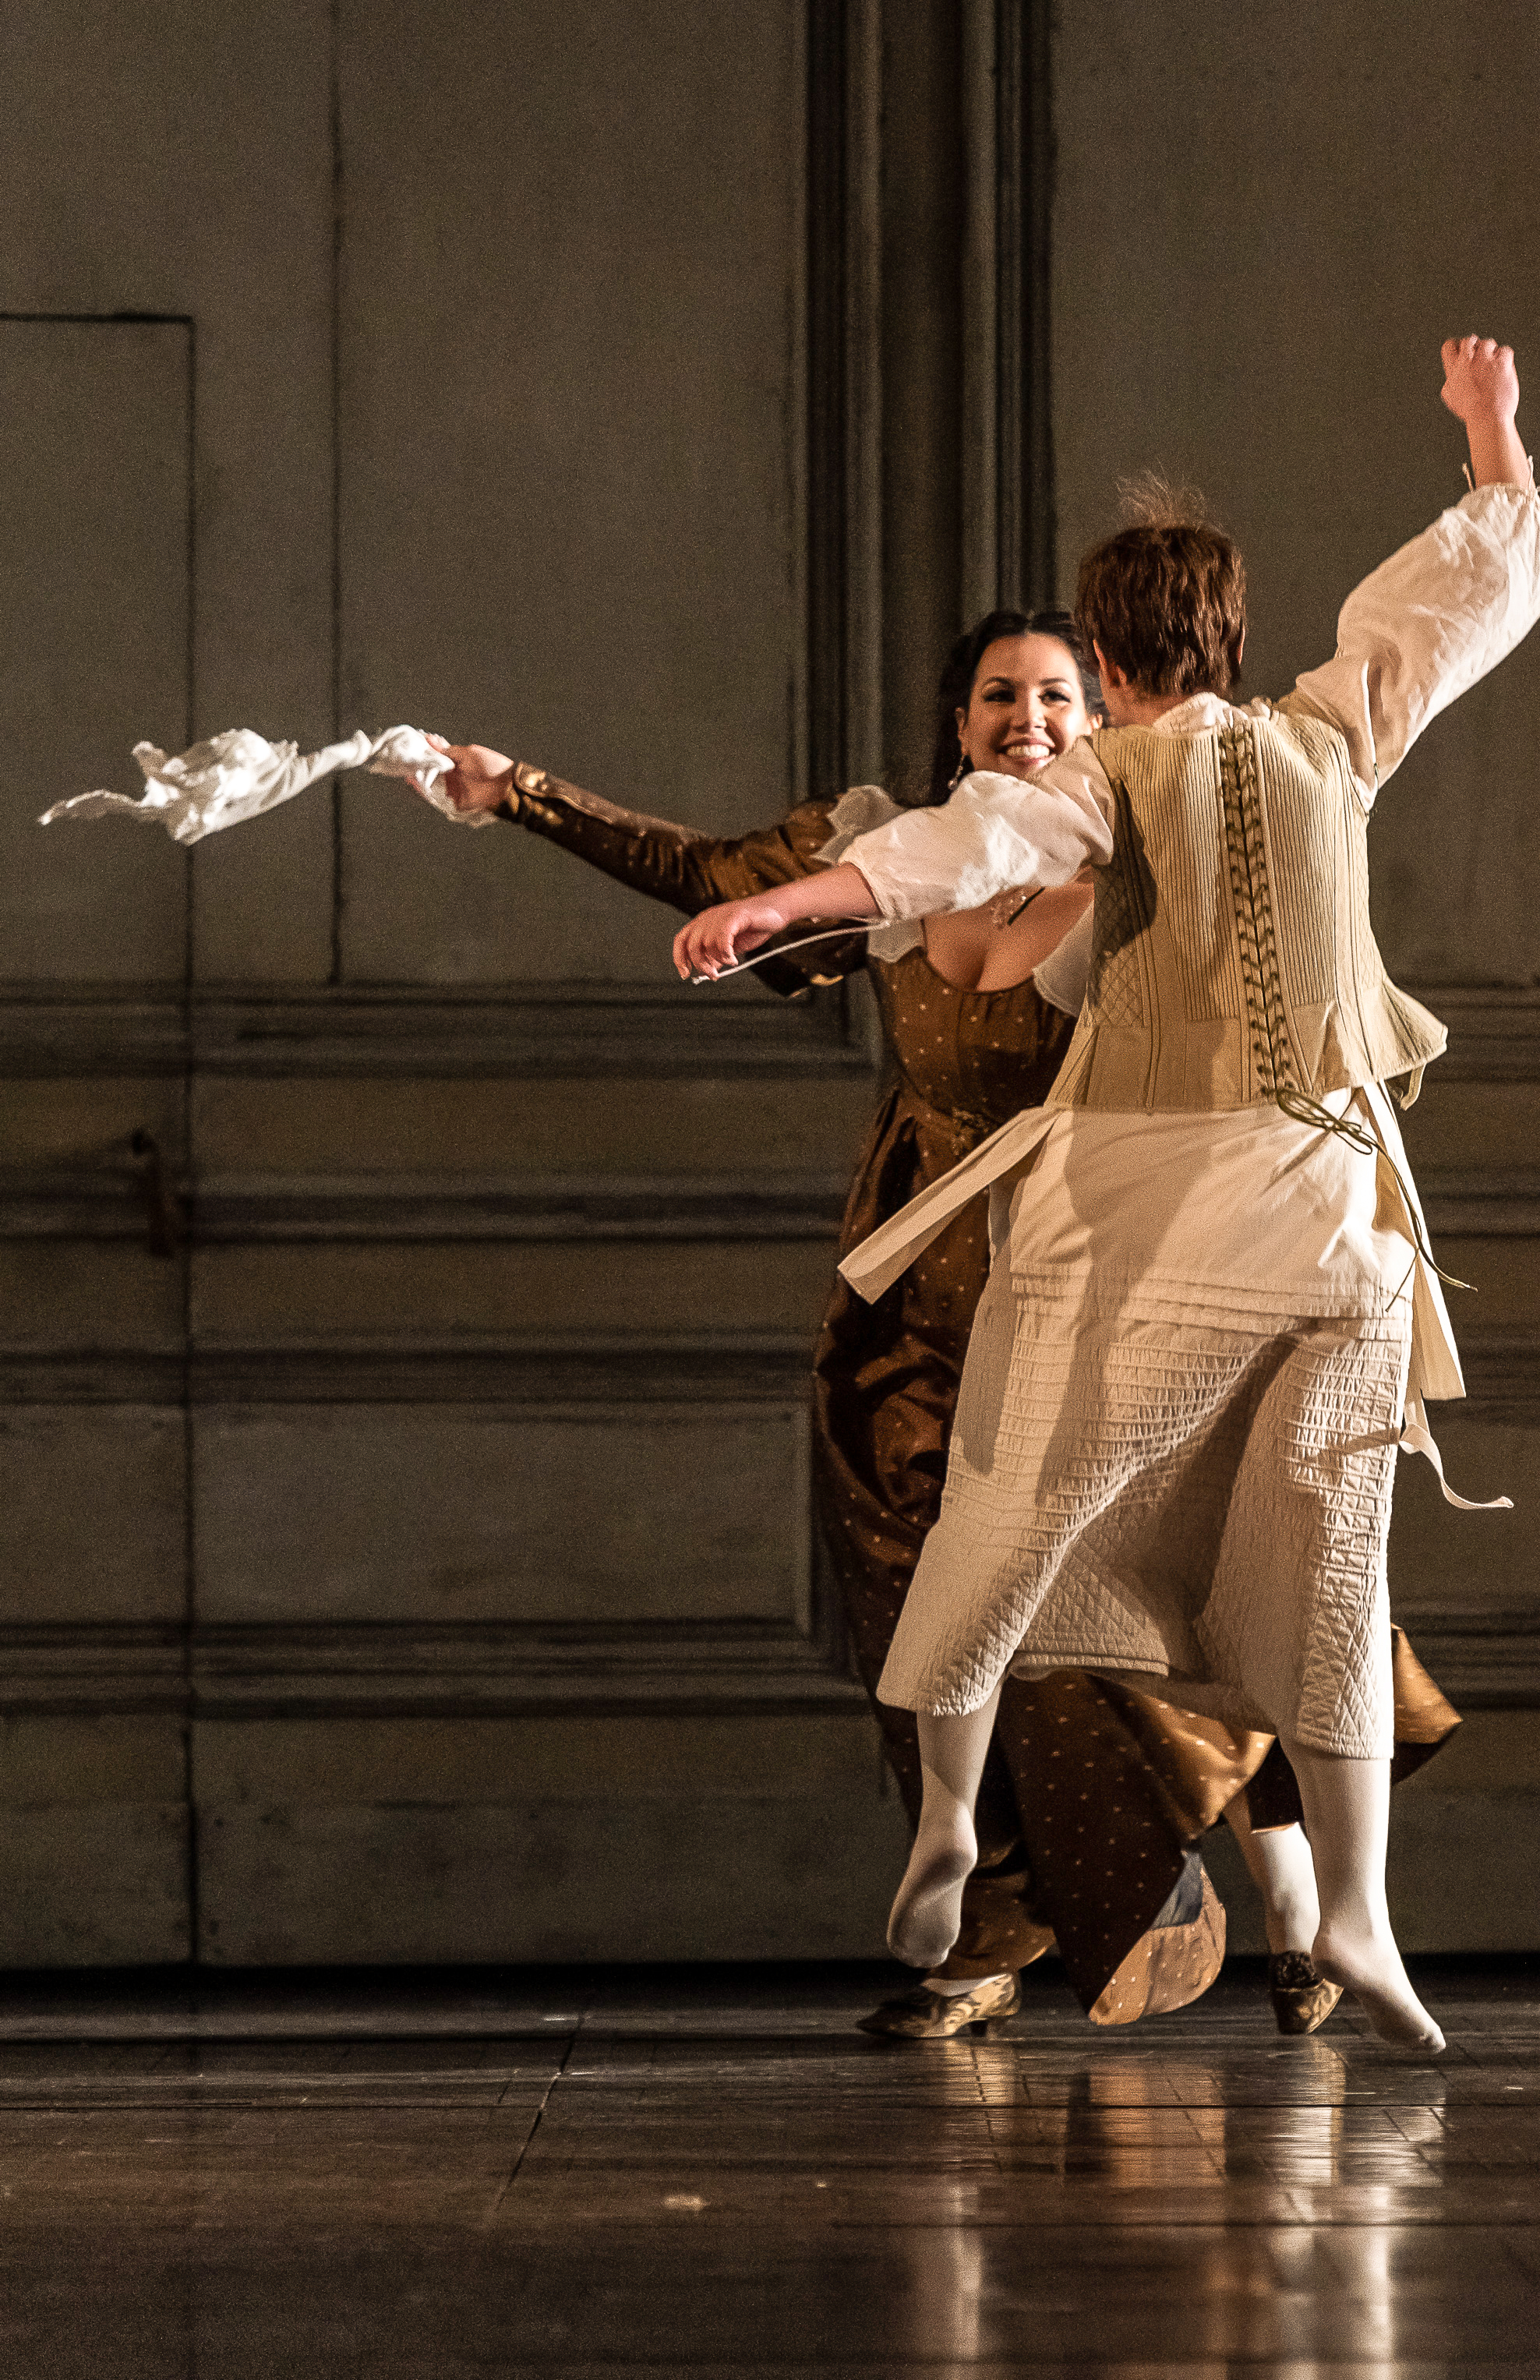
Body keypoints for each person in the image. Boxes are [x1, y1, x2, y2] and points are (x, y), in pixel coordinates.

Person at [672, 334, 1540, 2053]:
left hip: (1141, 1213)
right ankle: (1357, 1912)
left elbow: (949, 850)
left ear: (1115, 659)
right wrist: (1491, 438)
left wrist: (784, 909)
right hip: (1321, 1210)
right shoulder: (1332, 728)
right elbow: (1460, 609)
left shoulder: (1091, 781)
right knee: (1328, 1549)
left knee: (1001, 1518)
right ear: (1227, 635)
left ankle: (946, 1823)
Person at [430, 613, 1458, 2036]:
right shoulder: (905, 854)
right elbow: (712, 878)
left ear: (1101, 706)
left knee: (1198, 1567)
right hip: (921, 1287)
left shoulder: (1155, 843)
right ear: (957, 718)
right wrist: (521, 794)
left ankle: (1289, 1898)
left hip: (1113, 1256)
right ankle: (989, 1927)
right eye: (995, 696)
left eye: (1054, 694)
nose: (1026, 718)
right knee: (938, 1606)